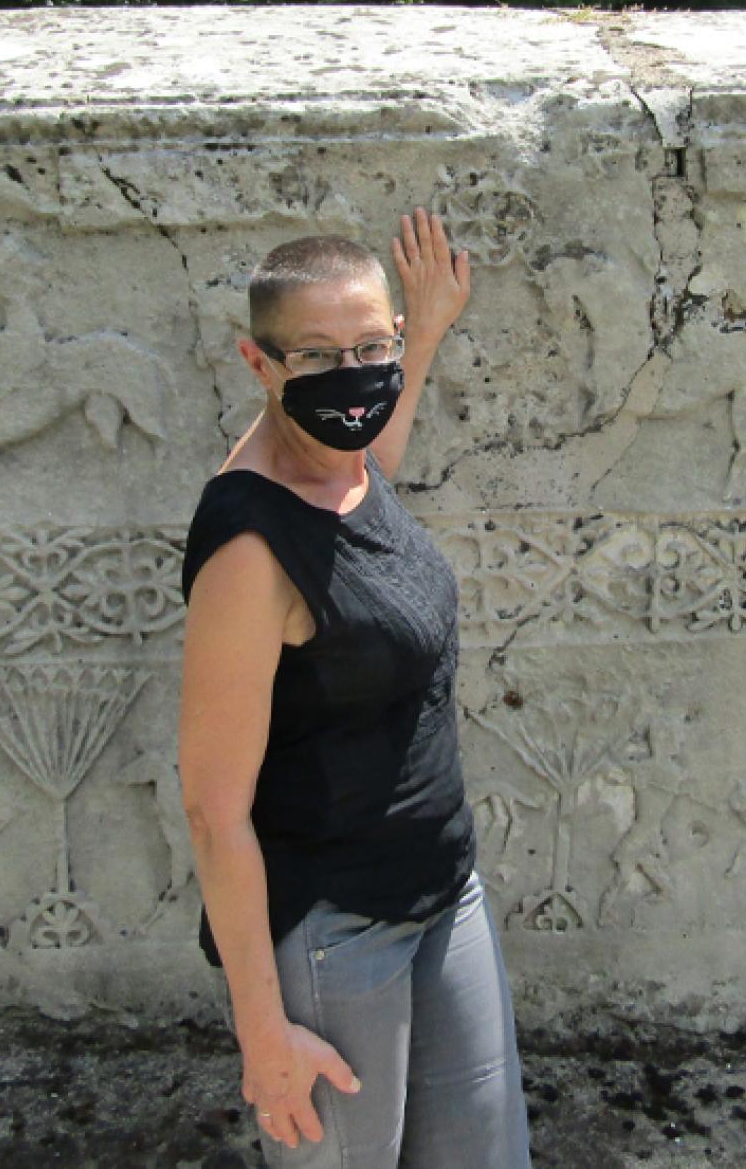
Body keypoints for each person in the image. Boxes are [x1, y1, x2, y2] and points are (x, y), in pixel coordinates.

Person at [176, 209, 532, 1168]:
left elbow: (366, 462)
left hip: (442, 892)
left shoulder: (343, 471)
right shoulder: (251, 549)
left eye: (372, 346)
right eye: (321, 357)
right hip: (335, 937)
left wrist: (424, 326)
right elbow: (214, 810)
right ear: (261, 368)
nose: (356, 377)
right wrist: (263, 1034)